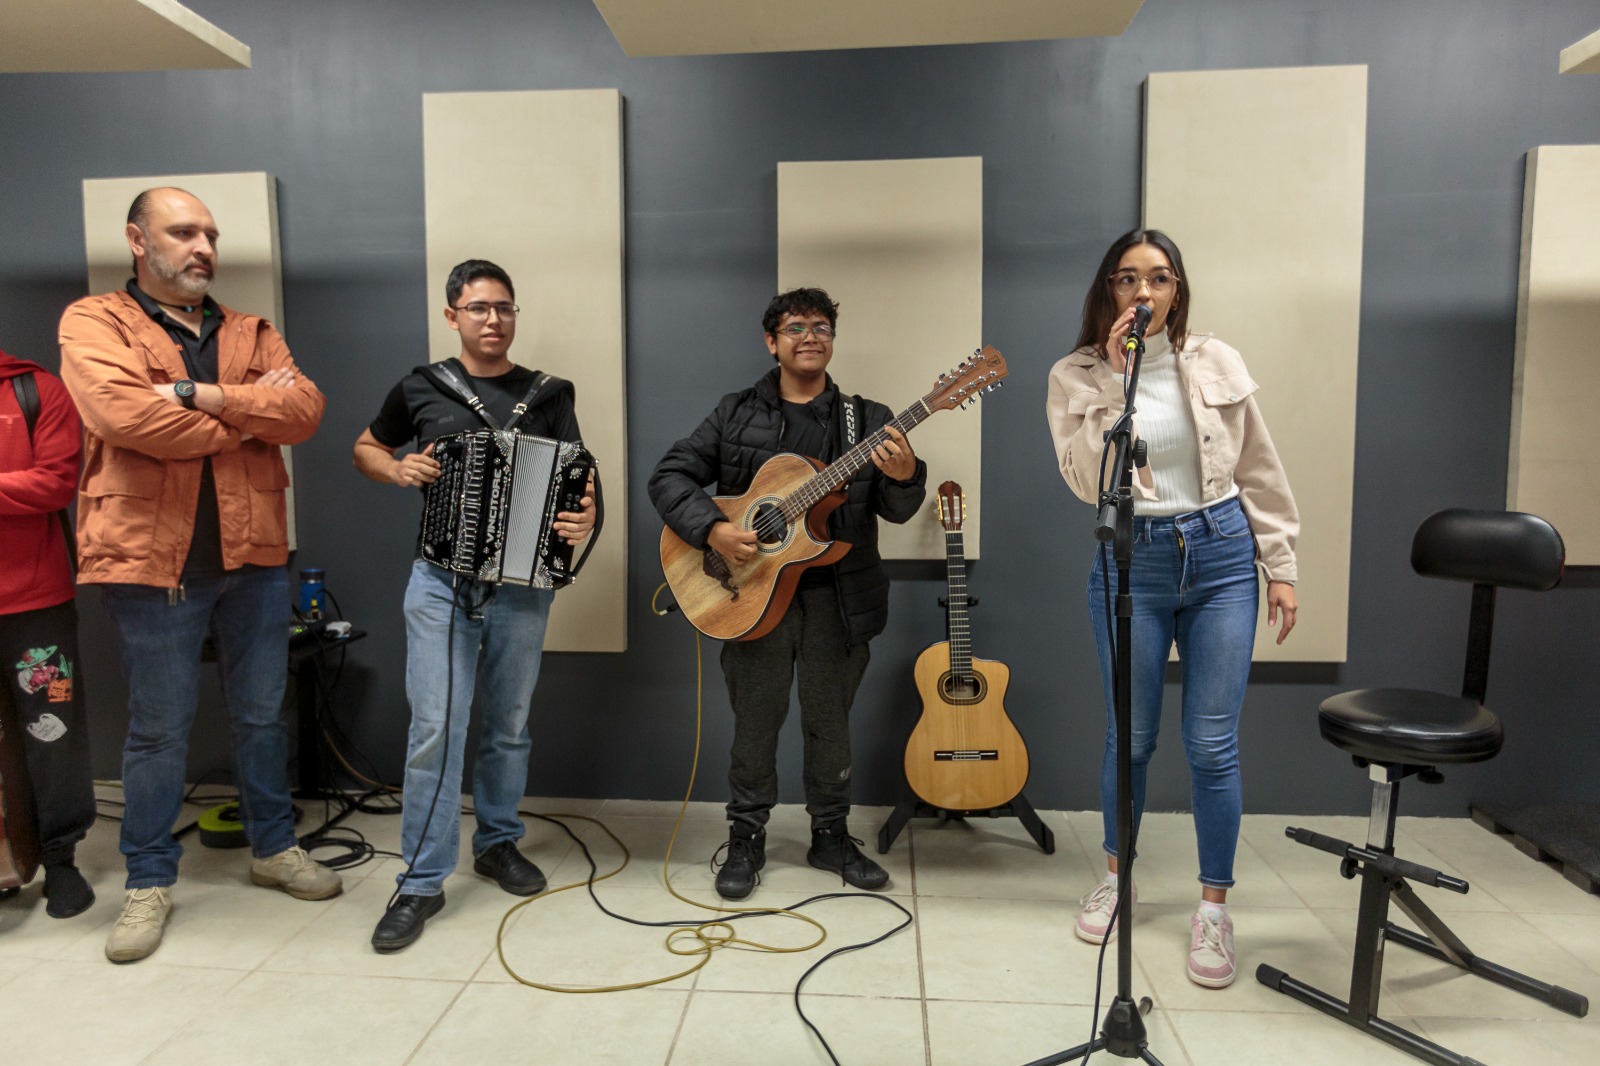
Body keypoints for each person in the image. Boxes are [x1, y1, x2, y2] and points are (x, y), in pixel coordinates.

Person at [59, 187, 337, 964]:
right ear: (138, 240)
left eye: (210, 233)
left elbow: (306, 413)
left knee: (261, 714)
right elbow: (123, 418)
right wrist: (249, 416)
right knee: (157, 731)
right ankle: (148, 881)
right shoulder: (93, 321)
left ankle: (272, 847)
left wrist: (197, 394)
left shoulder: (251, 328)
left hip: (252, 558)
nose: (203, 246)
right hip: (151, 562)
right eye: (183, 231)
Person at [1045, 228, 1298, 989]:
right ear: (1109, 290)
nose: (1143, 291)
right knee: (1131, 738)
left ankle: (1213, 910)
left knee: (1213, 746)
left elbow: (1258, 466)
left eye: (1158, 277)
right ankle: (1118, 880)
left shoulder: (1216, 359)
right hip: (1134, 559)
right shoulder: (1076, 375)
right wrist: (1117, 378)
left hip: (1222, 555)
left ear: (1177, 289)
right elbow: (1086, 479)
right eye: (1128, 278)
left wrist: (1279, 566)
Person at [649, 287, 927, 900]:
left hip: (839, 598)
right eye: (796, 326)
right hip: (749, 595)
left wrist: (907, 477)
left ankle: (830, 835)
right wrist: (715, 529)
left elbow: (898, 510)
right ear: (771, 342)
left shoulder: (869, 419)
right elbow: (669, 475)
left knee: (831, 727)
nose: (811, 335)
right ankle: (745, 837)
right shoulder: (735, 412)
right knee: (754, 725)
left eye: (822, 325)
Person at [353, 259, 596, 953]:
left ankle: (497, 842)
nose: (494, 320)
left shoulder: (548, 393)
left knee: (510, 725)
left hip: (523, 585)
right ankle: (422, 881)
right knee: (438, 726)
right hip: (440, 581)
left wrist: (581, 522)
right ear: (452, 315)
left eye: (505, 308)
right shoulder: (422, 386)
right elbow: (365, 448)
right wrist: (397, 467)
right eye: (480, 307)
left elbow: (577, 480)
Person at [0, 349, 96, 918]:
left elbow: (56, 483)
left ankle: (61, 858)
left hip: (35, 600)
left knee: (52, 730)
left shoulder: (35, 389)